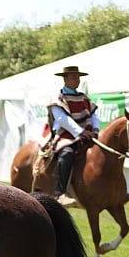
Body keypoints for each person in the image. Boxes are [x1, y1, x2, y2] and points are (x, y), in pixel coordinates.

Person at [48, 65, 100, 207]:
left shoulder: (83, 97)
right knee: (67, 153)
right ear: (65, 79)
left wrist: (95, 129)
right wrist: (80, 132)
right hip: (66, 135)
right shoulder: (58, 98)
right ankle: (60, 193)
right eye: (73, 77)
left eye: (78, 77)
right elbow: (62, 119)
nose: (76, 80)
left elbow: (94, 114)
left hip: (86, 134)